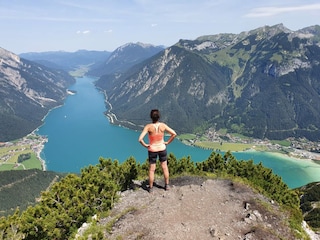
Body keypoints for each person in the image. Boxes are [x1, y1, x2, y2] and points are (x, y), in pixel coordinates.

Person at [138, 109, 177, 193]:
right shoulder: (163, 125)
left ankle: (151, 188)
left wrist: (146, 145)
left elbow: (140, 139)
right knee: (164, 167)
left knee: (152, 169)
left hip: (152, 149)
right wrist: (167, 142)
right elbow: (174, 134)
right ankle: (166, 185)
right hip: (162, 148)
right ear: (159, 117)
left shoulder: (148, 127)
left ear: (151, 117)